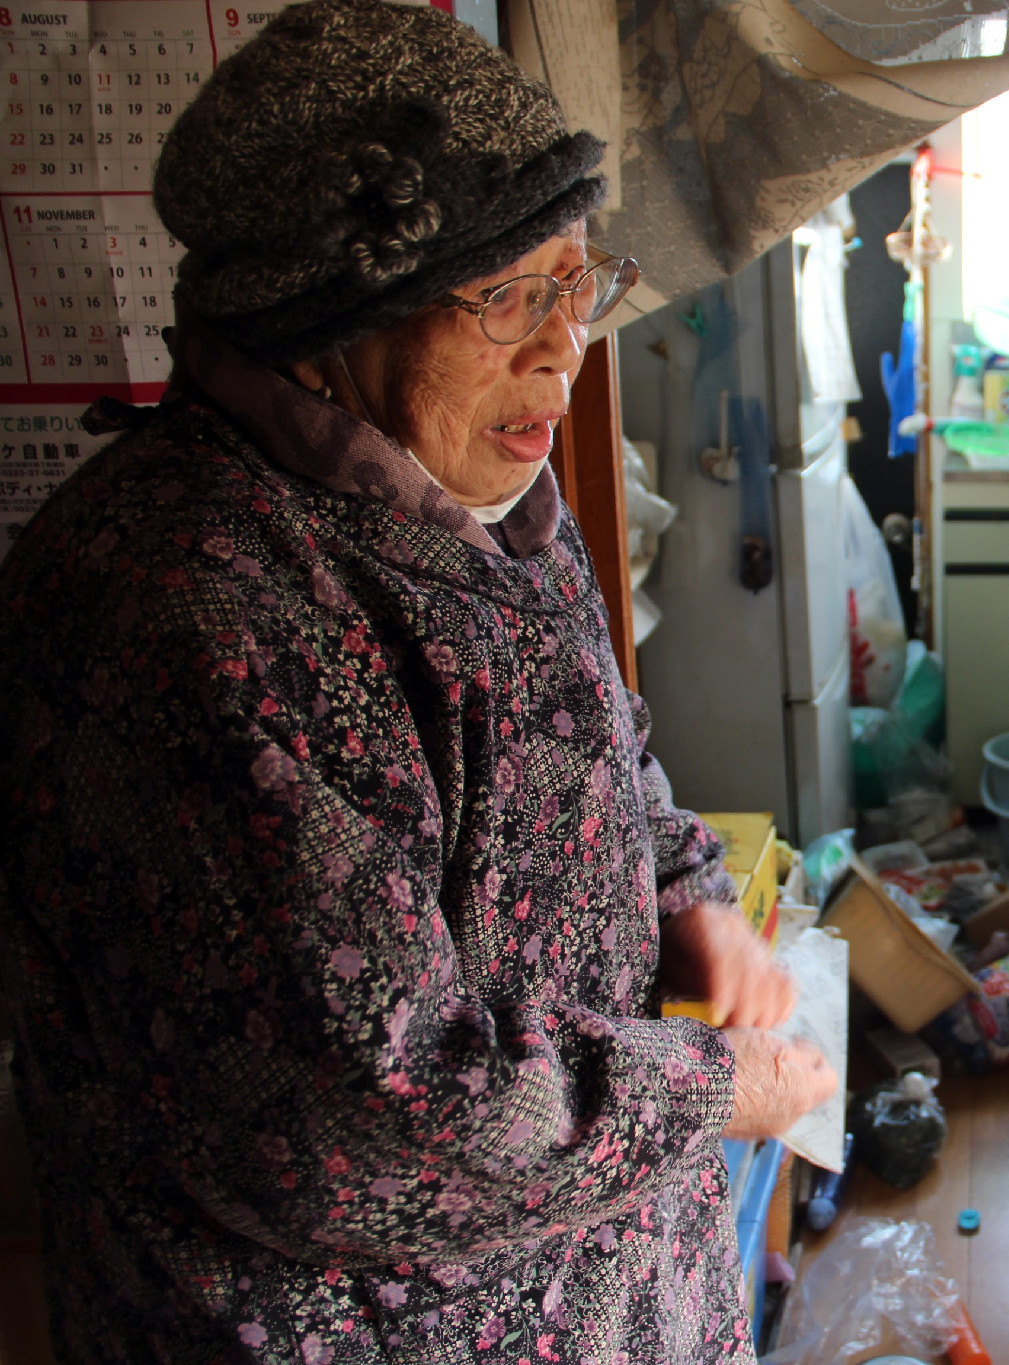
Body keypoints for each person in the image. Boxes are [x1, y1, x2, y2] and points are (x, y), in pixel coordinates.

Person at [0, 1, 837, 1361]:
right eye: (508, 297)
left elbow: (598, 748)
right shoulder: (182, 607)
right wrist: (707, 1090)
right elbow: (355, 1117)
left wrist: (684, 891)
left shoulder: (483, 498)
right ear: (323, 319)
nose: (565, 345)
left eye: (579, 280)